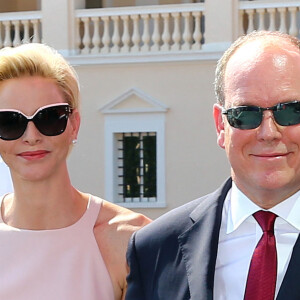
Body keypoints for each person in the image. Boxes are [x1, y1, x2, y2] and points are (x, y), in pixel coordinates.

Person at [125, 30, 300, 300]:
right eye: (245, 114)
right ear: (221, 125)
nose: (268, 132)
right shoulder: (155, 248)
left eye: (289, 111)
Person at [0, 43, 150, 300]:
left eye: (49, 117)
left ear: (74, 125)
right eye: (9, 122)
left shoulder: (130, 239)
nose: (31, 136)